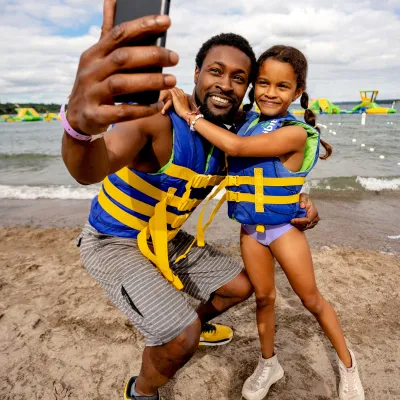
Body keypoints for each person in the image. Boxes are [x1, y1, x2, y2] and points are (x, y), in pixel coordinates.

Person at [61, 2, 320, 399]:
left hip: (162, 238)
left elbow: (274, 167)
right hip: (113, 240)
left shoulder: (235, 136)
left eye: (239, 78)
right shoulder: (159, 122)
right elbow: (88, 169)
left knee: (239, 286)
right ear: (197, 74)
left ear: (246, 90)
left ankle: (190, 325)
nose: (225, 84)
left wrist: (302, 198)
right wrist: (77, 129)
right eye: (215, 71)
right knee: (181, 338)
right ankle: (142, 390)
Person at [168, 45, 365, 400]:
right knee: (264, 298)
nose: (270, 93)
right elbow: (218, 117)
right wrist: (176, 100)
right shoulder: (246, 121)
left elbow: (238, 149)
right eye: (263, 83)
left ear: (298, 91)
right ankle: (269, 362)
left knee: (311, 300)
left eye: (282, 86)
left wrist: (190, 117)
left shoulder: (295, 133)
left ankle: (348, 365)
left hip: (283, 230)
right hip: (250, 232)